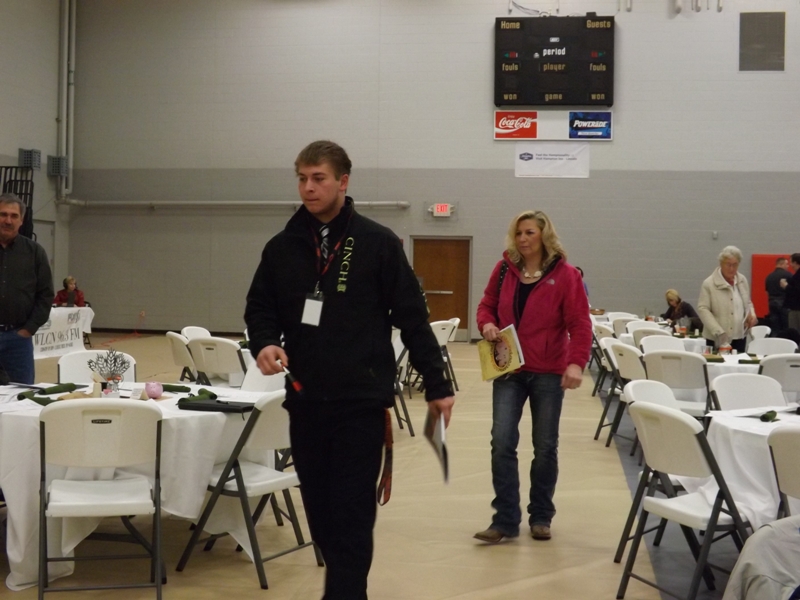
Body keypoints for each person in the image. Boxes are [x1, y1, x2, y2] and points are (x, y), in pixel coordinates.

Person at [244, 140, 454, 600]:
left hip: (360, 401)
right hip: (305, 401)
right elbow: (260, 307)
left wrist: (437, 384)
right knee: (322, 515)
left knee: (353, 514)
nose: (308, 187)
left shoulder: (378, 243)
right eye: (302, 178)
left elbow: (413, 319)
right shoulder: (281, 247)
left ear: (343, 181)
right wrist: (265, 341)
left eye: (318, 178)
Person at [474, 210, 591, 544]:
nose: (523, 239)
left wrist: (575, 363)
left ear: (544, 236)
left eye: (529, 233)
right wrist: (486, 324)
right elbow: (486, 306)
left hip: (548, 372)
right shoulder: (504, 270)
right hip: (508, 369)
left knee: (545, 447)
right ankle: (505, 520)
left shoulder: (566, 275)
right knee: (502, 443)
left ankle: (540, 516)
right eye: (518, 233)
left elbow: (580, 324)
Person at [0, 193, 54, 384]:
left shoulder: (35, 252)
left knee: (21, 393)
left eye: (14, 216)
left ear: (21, 220)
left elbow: (45, 295)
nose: (8, 220)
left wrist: (28, 329)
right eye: (3, 214)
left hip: (18, 341)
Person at [697, 245, 758, 353]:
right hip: (717, 338)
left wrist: (752, 315)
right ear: (721, 263)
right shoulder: (709, 283)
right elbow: (703, 309)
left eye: (735, 265)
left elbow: (748, 302)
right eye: (728, 264)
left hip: (740, 336)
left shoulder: (742, 280)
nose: (731, 268)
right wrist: (718, 332)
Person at [765, 257, 792, 333]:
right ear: (781, 264)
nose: (788, 266)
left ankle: (775, 338)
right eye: (786, 264)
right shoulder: (788, 275)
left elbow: (767, 291)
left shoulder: (769, 276)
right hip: (784, 303)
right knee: (786, 326)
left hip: (772, 303)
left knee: (774, 326)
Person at [779, 254, 800, 331]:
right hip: (796, 308)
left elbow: (797, 291)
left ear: (795, 263)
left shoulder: (798, 275)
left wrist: (786, 286)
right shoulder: (796, 275)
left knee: (794, 331)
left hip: (796, 308)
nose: (790, 265)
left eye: (791, 262)